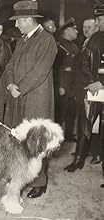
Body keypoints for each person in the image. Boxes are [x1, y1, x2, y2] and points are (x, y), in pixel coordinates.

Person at [5, 0, 57, 198]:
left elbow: (40, 71)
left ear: (27, 19)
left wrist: (21, 88)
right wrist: (10, 83)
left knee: (35, 141)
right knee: (20, 140)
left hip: (36, 99)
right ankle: (20, 175)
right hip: (18, 97)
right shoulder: (21, 40)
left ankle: (39, 182)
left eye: (18, 22)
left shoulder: (47, 40)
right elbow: (10, 65)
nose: (16, 26)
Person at [64, 7, 104, 176]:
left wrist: (99, 82)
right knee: (86, 124)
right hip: (92, 89)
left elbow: (90, 65)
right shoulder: (94, 39)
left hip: (95, 89)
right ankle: (82, 158)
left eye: (100, 20)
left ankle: (85, 158)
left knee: (87, 124)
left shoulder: (97, 38)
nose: (98, 24)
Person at [55, 18, 79, 142]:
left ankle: (69, 135)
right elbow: (57, 68)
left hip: (73, 86)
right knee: (61, 113)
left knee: (71, 112)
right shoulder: (59, 46)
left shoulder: (74, 47)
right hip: (64, 86)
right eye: (74, 29)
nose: (77, 31)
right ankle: (56, 138)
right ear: (67, 30)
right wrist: (61, 86)